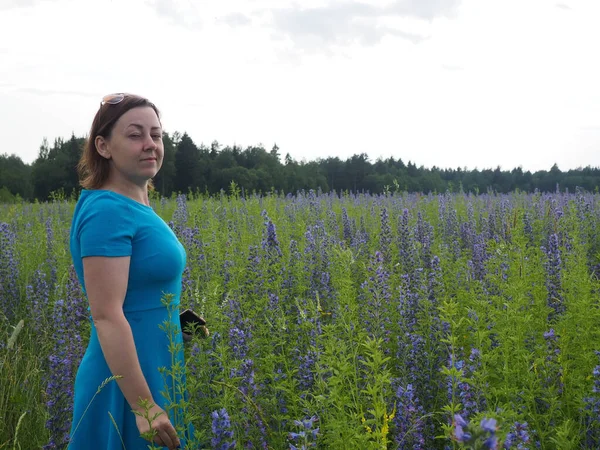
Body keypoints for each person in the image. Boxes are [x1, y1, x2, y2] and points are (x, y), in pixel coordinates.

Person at [67, 93, 192, 449]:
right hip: (128, 381)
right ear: (103, 146)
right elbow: (106, 314)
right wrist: (144, 407)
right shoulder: (107, 210)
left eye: (156, 134)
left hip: (155, 365)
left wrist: (174, 319)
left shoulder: (132, 204)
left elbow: (138, 290)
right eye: (135, 135)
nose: (150, 144)